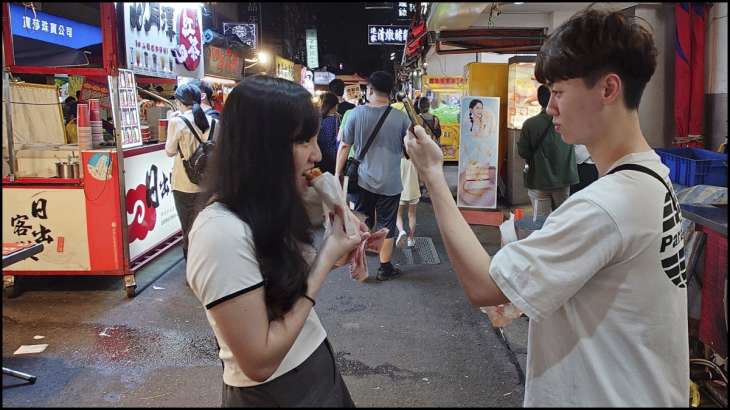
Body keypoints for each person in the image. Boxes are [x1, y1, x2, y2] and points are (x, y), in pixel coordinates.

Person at [404, 8, 687, 406]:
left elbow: (485, 286)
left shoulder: (605, 206)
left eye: (557, 91)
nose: (550, 106)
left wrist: (433, 173)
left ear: (608, 90)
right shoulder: (653, 176)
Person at [186, 75, 365, 407]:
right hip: (276, 394)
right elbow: (259, 362)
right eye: (303, 142)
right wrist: (325, 259)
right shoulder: (219, 233)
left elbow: (285, 287)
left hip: (316, 369)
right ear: (263, 148)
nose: (317, 155)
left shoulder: (268, 209)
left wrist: (340, 242)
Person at [335, 71, 410, 281]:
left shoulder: (355, 115)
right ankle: (385, 268)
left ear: (369, 90)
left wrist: (337, 174)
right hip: (391, 181)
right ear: (390, 92)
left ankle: (360, 265)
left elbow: (344, 147)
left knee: (362, 221)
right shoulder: (401, 118)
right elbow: (410, 149)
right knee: (387, 224)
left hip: (362, 180)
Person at [165, 83, 212, 261]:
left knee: (188, 229)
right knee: (207, 227)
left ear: (179, 101)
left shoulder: (177, 122)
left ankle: (192, 269)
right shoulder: (214, 120)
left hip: (184, 184)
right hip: (209, 183)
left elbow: (169, 152)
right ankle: (208, 264)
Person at [518, 84, 578, 213]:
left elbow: (523, 152)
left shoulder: (530, 124)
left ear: (539, 100)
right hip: (563, 179)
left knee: (541, 221)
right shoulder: (569, 121)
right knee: (562, 218)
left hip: (538, 179)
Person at [316, 92, 340, 174]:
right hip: (331, 156)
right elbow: (335, 139)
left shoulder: (317, 117)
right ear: (334, 105)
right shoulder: (335, 119)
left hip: (318, 154)